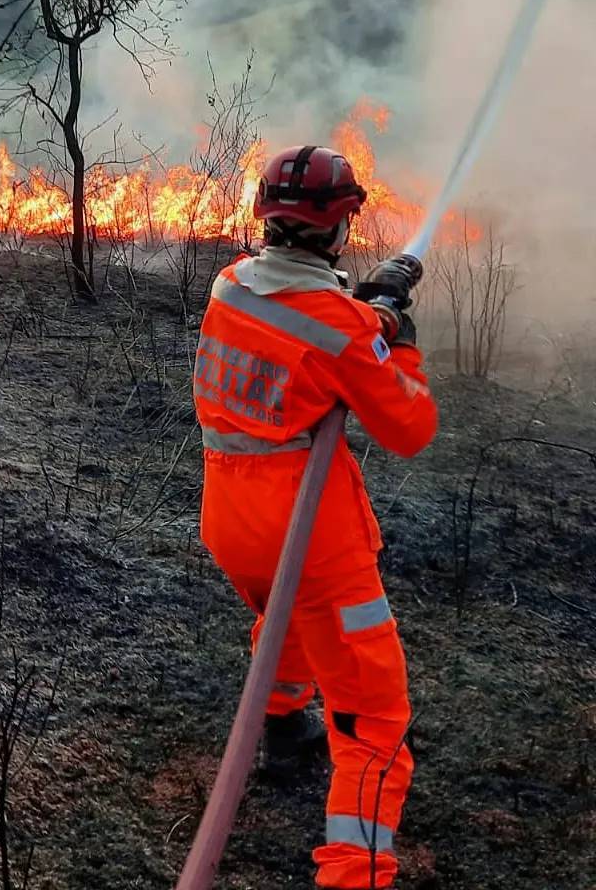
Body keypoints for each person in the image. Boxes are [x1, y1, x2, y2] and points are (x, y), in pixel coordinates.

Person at [194, 144, 438, 889]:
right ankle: (354, 872)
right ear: (339, 226)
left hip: (233, 524)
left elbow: (304, 325)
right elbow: (410, 429)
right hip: (311, 537)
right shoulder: (341, 329)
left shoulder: (230, 285)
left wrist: (368, 316)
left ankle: (279, 723)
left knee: (287, 618)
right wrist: (398, 344)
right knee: (373, 719)